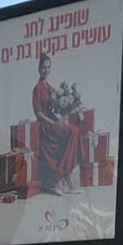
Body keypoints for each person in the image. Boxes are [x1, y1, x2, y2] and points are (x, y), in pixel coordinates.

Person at [32, 53, 81, 196]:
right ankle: (62, 176)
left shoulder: (49, 87)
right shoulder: (38, 88)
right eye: (43, 67)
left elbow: (55, 106)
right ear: (39, 68)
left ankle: (64, 174)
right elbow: (38, 113)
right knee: (73, 132)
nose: (46, 70)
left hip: (53, 122)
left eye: (48, 67)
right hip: (45, 126)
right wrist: (53, 122)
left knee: (75, 131)